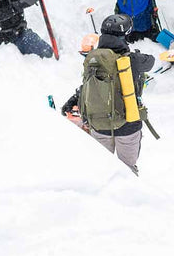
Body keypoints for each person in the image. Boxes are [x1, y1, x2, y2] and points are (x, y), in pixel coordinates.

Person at [61, 14, 155, 175]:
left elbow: (88, 85)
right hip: (127, 126)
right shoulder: (132, 60)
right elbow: (151, 61)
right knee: (128, 171)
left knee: (101, 171)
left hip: (98, 125)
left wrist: (72, 101)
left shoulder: (93, 59)